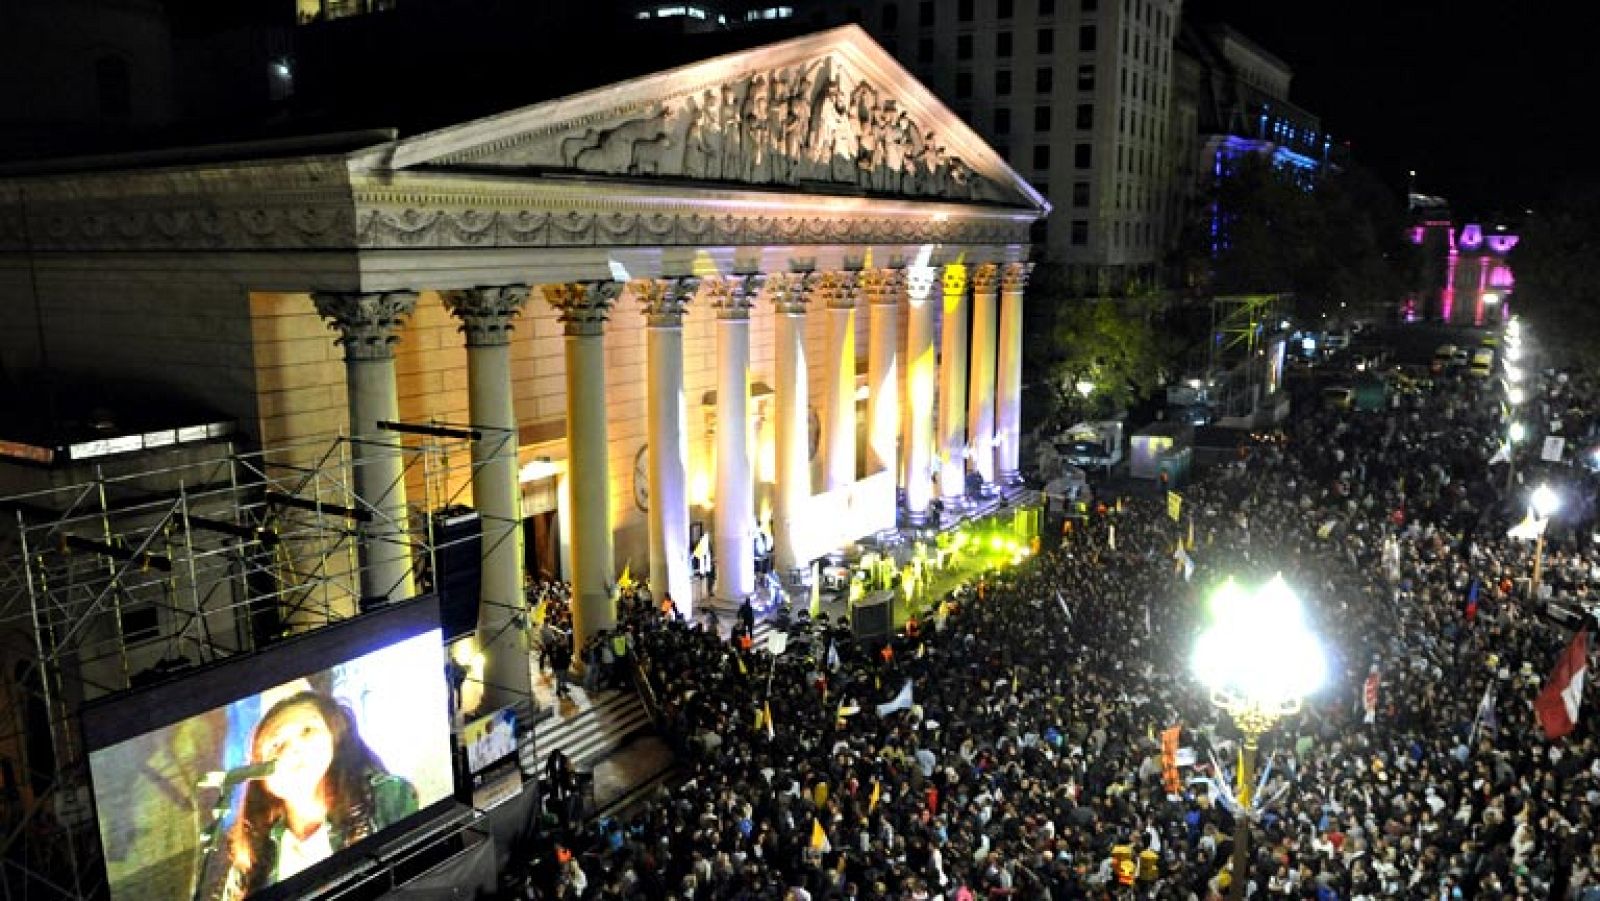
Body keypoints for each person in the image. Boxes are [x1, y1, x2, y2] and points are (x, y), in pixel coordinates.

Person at [217, 691, 418, 899]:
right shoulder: (252, 862)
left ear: (335, 737)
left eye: (307, 731)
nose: (294, 749)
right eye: (276, 745)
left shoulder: (386, 798)